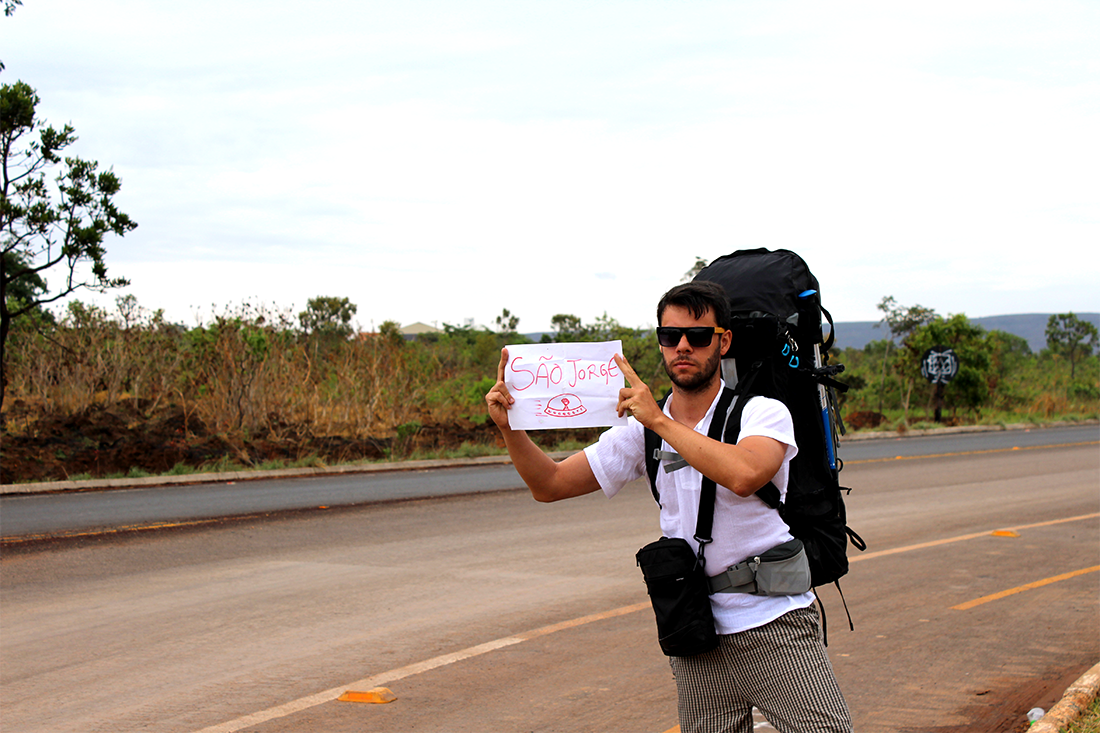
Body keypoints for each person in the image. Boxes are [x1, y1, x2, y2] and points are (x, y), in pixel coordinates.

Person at [485, 280, 852, 733]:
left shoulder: (762, 413)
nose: (682, 347)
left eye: (698, 337)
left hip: (773, 624)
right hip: (694, 628)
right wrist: (511, 429)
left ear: (724, 341)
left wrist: (657, 419)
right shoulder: (643, 430)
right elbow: (551, 484)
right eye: (669, 336)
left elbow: (744, 474)